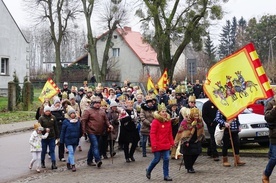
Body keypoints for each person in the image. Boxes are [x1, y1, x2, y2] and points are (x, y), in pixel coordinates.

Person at [81, 96, 114, 168]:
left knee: (93, 146)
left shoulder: (102, 111)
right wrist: (83, 131)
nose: (98, 104)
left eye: (99, 103)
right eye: (96, 103)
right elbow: (83, 121)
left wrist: (109, 125)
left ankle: (89, 160)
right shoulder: (87, 111)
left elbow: (106, 120)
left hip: (100, 131)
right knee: (95, 145)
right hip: (91, 131)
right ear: (92, 103)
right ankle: (98, 160)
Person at [145, 103, 174, 181]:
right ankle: (149, 170)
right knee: (156, 159)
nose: (164, 113)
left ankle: (166, 175)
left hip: (166, 143)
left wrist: (172, 142)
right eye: (162, 111)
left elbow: (169, 133)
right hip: (157, 144)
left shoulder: (168, 121)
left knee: (166, 158)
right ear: (159, 112)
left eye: (165, 111)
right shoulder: (155, 122)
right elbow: (152, 133)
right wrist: (153, 144)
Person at [174, 107, 204, 173]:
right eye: (195, 115)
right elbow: (181, 130)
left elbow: (201, 127)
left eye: (197, 115)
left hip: (196, 139)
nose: (196, 117)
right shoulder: (186, 121)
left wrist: (201, 136)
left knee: (196, 153)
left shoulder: (199, 120)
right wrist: (184, 140)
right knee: (187, 155)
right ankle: (189, 167)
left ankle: (191, 165)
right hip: (187, 140)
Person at [262, 96, 276, 183]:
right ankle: (266, 175)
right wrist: (275, 110)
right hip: (275, 135)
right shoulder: (271, 103)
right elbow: (267, 118)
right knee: (274, 158)